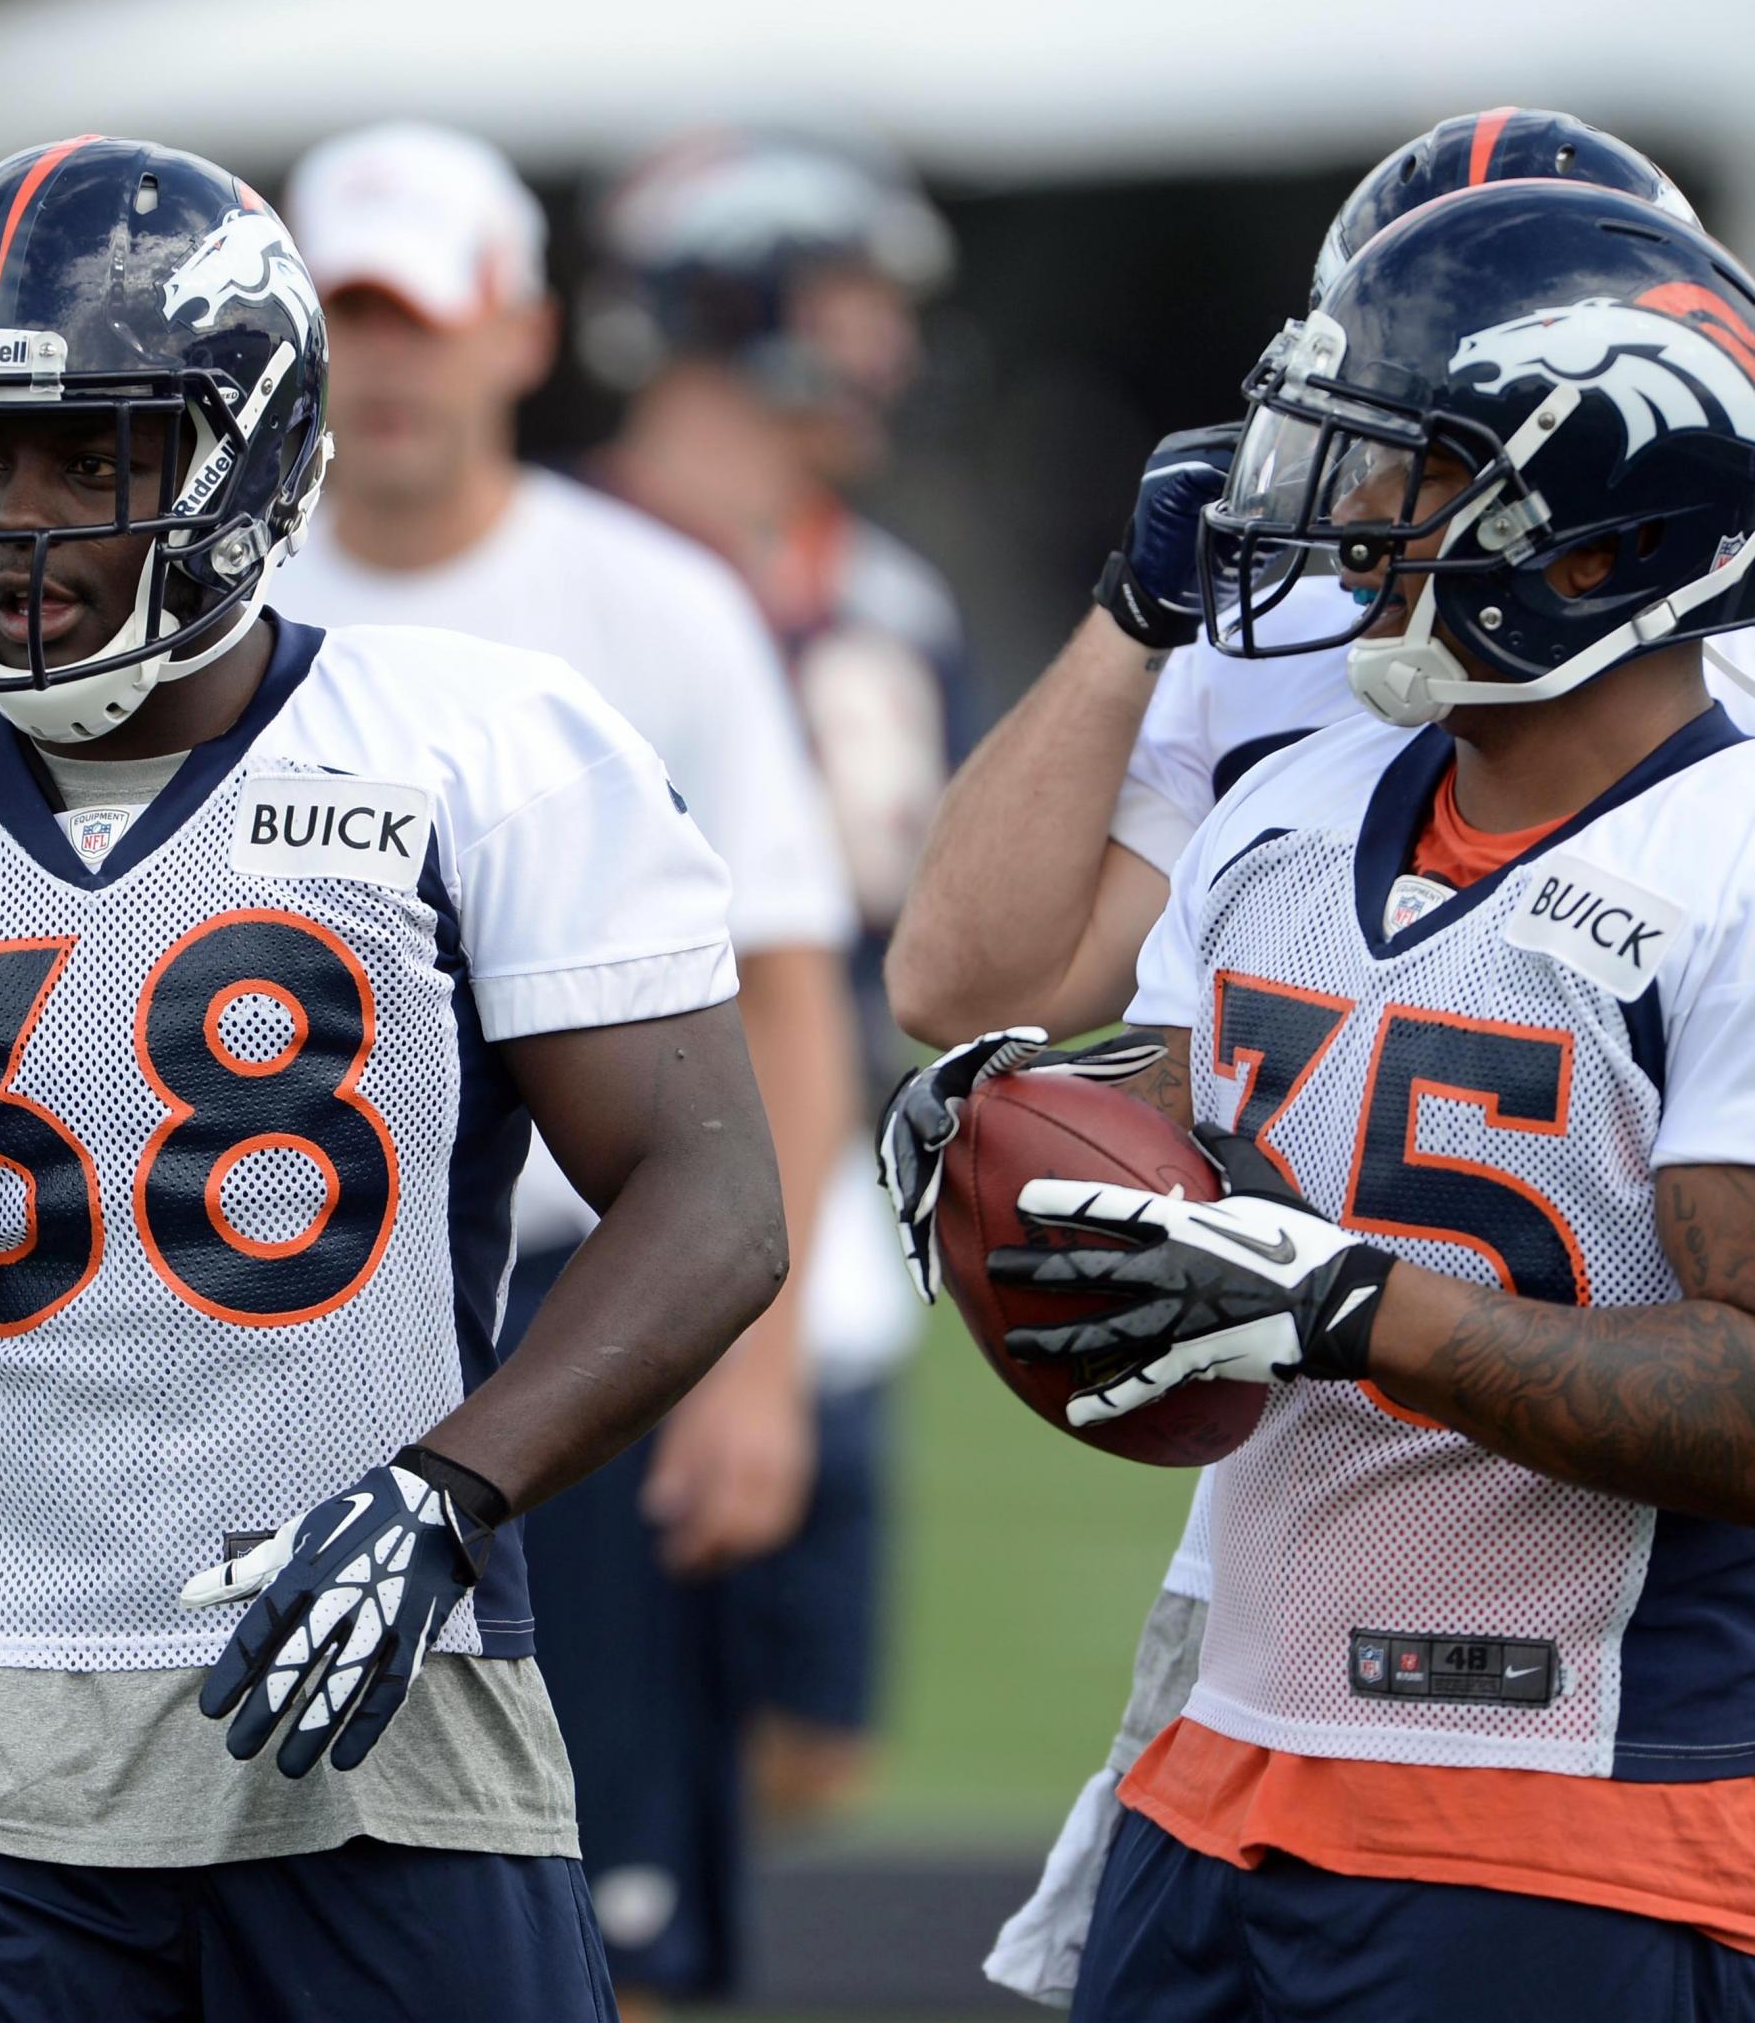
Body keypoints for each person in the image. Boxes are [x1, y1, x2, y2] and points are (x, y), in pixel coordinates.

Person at [0, 134, 794, 2022]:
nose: (18, 520)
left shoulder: (480, 747)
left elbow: (714, 1197)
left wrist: (447, 1498)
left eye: (97, 457)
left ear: (249, 460)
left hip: (389, 1681)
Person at [868, 109, 1736, 2008]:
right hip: (1231, 1771)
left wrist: (1362, 1313)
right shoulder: (1305, 795)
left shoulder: (1727, 854)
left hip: (1565, 1799)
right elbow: (1246, 1118)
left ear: (1580, 521)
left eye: (1403, 472)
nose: (1339, 521)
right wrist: (1033, 1121)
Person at [266, 119, 861, 2007]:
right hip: (266, 1294)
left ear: (521, 332)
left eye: (424, 320)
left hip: (573, 1287)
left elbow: (787, 981)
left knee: (610, 1896)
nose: (389, 367)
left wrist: (754, 1364)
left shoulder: (649, 606)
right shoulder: (217, 592)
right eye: (350, 322)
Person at [581, 123, 957, 1892]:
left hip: (843, 1177)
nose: (875, 339)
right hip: (607, 1175)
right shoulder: (574, 577)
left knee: (810, 1736)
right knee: (617, 1747)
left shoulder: (887, 595)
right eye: (842, 295)